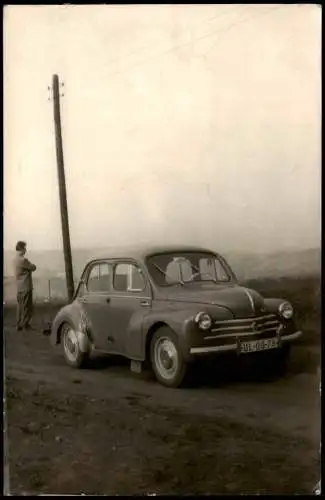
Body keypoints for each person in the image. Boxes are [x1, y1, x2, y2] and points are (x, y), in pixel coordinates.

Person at [14, 241, 37, 331]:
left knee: (19, 307)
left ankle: (19, 324)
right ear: (22, 249)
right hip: (26, 286)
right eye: (24, 248)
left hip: (19, 287)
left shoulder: (14, 259)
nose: (26, 250)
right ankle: (25, 324)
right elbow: (33, 267)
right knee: (27, 307)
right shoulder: (23, 260)